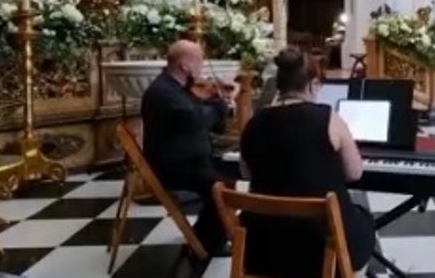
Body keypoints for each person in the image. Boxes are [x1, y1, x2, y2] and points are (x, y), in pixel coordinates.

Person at [239, 47, 376, 277]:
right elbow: (354, 173)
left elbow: (246, 173)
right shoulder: (328, 117)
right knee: (362, 218)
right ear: (312, 84)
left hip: (264, 247)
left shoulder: (254, 122)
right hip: (320, 247)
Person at [140, 39, 239, 257]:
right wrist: (222, 103)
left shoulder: (176, 88)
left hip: (189, 158)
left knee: (232, 172)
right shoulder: (163, 93)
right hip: (173, 165)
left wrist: (217, 101)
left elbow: (209, 122)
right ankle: (207, 243)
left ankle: (203, 236)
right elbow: (196, 119)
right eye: (199, 60)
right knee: (223, 187)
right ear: (184, 65)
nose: (202, 66)